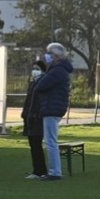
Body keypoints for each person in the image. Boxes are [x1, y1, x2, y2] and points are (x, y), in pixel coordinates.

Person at [34, 42, 73, 181]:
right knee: (51, 140)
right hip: (55, 107)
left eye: (49, 53)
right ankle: (54, 171)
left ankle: (55, 172)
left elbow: (41, 86)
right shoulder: (60, 70)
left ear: (56, 56)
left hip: (52, 107)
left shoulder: (57, 70)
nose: (47, 56)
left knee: (51, 141)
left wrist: (41, 77)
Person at [21, 60, 48, 179]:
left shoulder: (42, 83)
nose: (34, 71)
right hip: (29, 117)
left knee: (36, 144)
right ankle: (37, 169)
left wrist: (36, 114)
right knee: (33, 144)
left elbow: (39, 101)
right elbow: (28, 101)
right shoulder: (33, 83)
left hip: (36, 118)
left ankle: (40, 171)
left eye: (37, 68)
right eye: (33, 68)